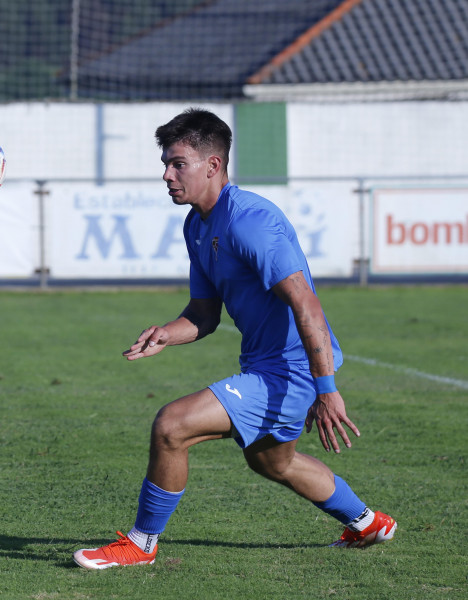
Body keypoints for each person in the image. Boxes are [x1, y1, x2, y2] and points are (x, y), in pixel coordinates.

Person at [73, 109, 396, 570]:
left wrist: (326, 390)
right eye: (165, 163)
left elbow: (306, 305)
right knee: (272, 462)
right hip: (267, 365)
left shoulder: (250, 221)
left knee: (172, 426)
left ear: (213, 165)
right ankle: (368, 523)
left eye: (177, 163)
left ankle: (141, 543)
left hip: (294, 369)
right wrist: (168, 333)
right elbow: (204, 314)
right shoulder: (197, 225)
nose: (166, 175)